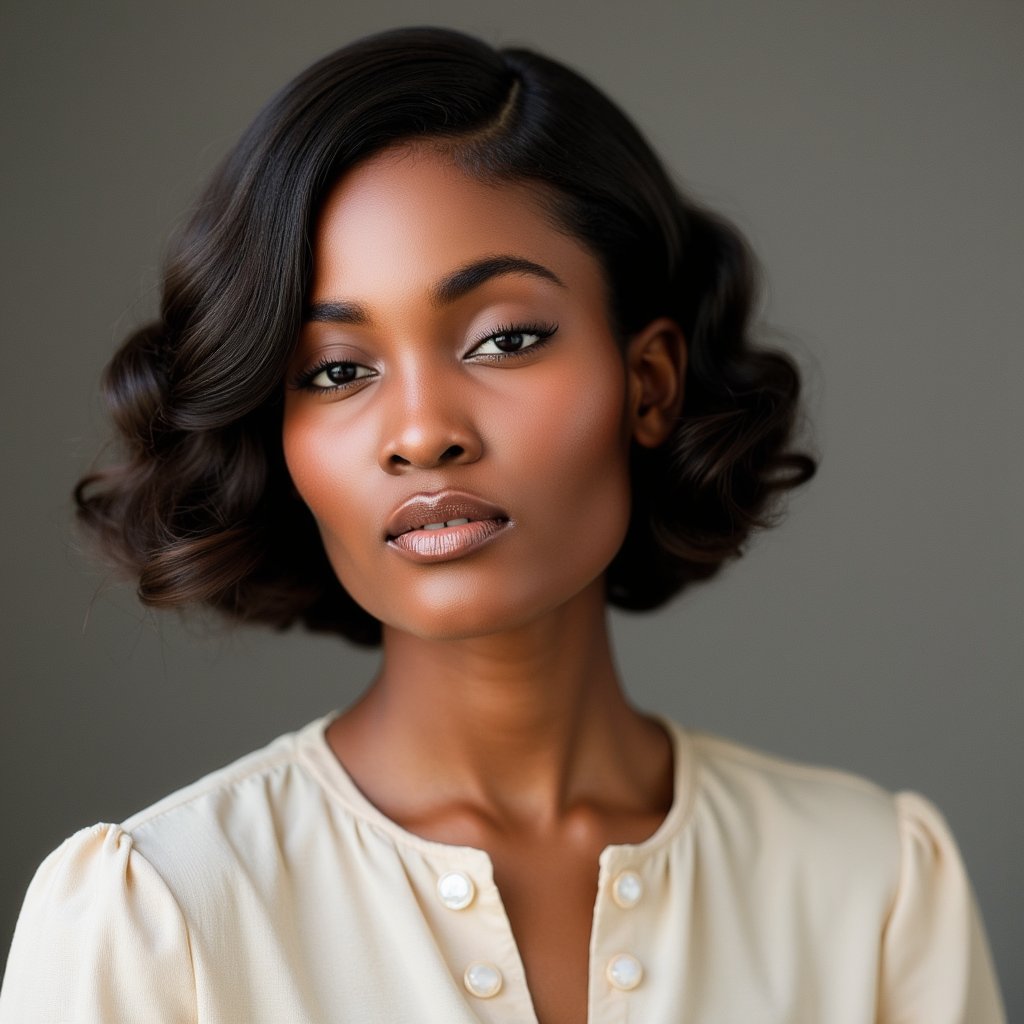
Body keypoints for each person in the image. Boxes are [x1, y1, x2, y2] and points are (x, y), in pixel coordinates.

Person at [0, 25, 1005, 1024]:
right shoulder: (160, 920)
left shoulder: (871, 888)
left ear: (646, 383)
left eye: (504, 339)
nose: (422, 433)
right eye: (337, 371)